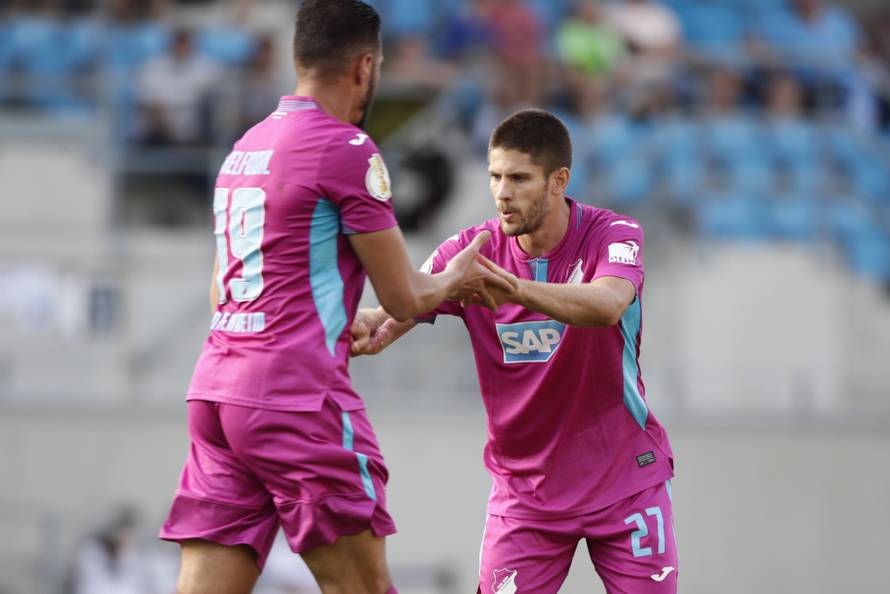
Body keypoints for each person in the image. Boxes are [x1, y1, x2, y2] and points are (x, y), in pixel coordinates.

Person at [158, 2, 506, 594]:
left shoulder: (246, 147)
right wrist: (459, 279)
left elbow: (226, 288)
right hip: (296, 400)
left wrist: (328, 318)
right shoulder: (345, 148)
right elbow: (402, 296)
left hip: (217, 393)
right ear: (366, 67)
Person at [352, 109, 678, 594]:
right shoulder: (466, 254)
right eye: (495, 176)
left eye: (520, 178)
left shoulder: (614, 235)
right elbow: (386, 321)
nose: (503, 192)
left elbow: (608, 303)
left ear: (558, 181)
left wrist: (514, 290)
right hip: (527, 497)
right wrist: (356, 326)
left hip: (625, 482)